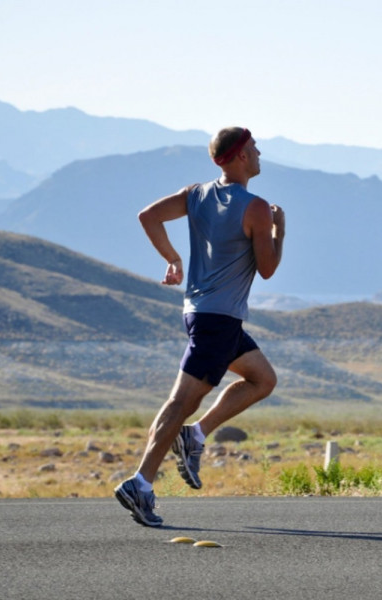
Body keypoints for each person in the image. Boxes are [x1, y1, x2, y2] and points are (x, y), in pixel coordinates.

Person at [115, 127, 285, 527]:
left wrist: (172, 258)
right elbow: (268, 269)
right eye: (255, 149)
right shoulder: (257, 208)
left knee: (263, 379)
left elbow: (148, 216)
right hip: (218, 320)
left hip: (202, 313)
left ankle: (195, 435)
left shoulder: (196, 193)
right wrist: (279, 229)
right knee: (180, 402)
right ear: (241, 155)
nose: (260, 154)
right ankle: (140, 483)